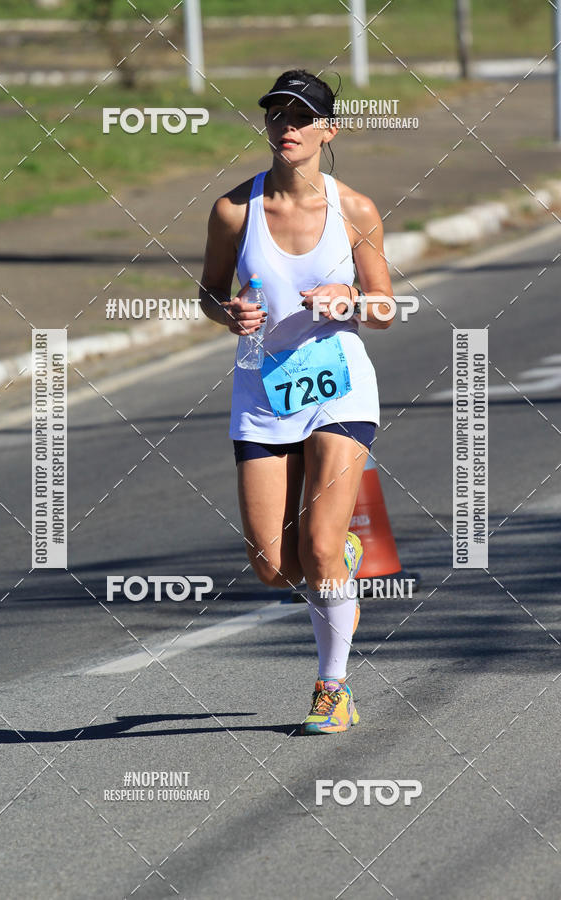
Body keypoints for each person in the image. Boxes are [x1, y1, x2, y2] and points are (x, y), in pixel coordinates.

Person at [199, 69, 393, 734]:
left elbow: (387, 306)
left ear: (327, 131)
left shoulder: (356, 210)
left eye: (302, 117)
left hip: (339, 385)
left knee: (316, 543)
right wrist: (229, 314)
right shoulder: (235, 210)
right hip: (261, 389)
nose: (288, 127)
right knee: (273, 567)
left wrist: (353, 302)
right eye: (278, 115)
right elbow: (208, 291)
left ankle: (331, 688)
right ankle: (336, 556)